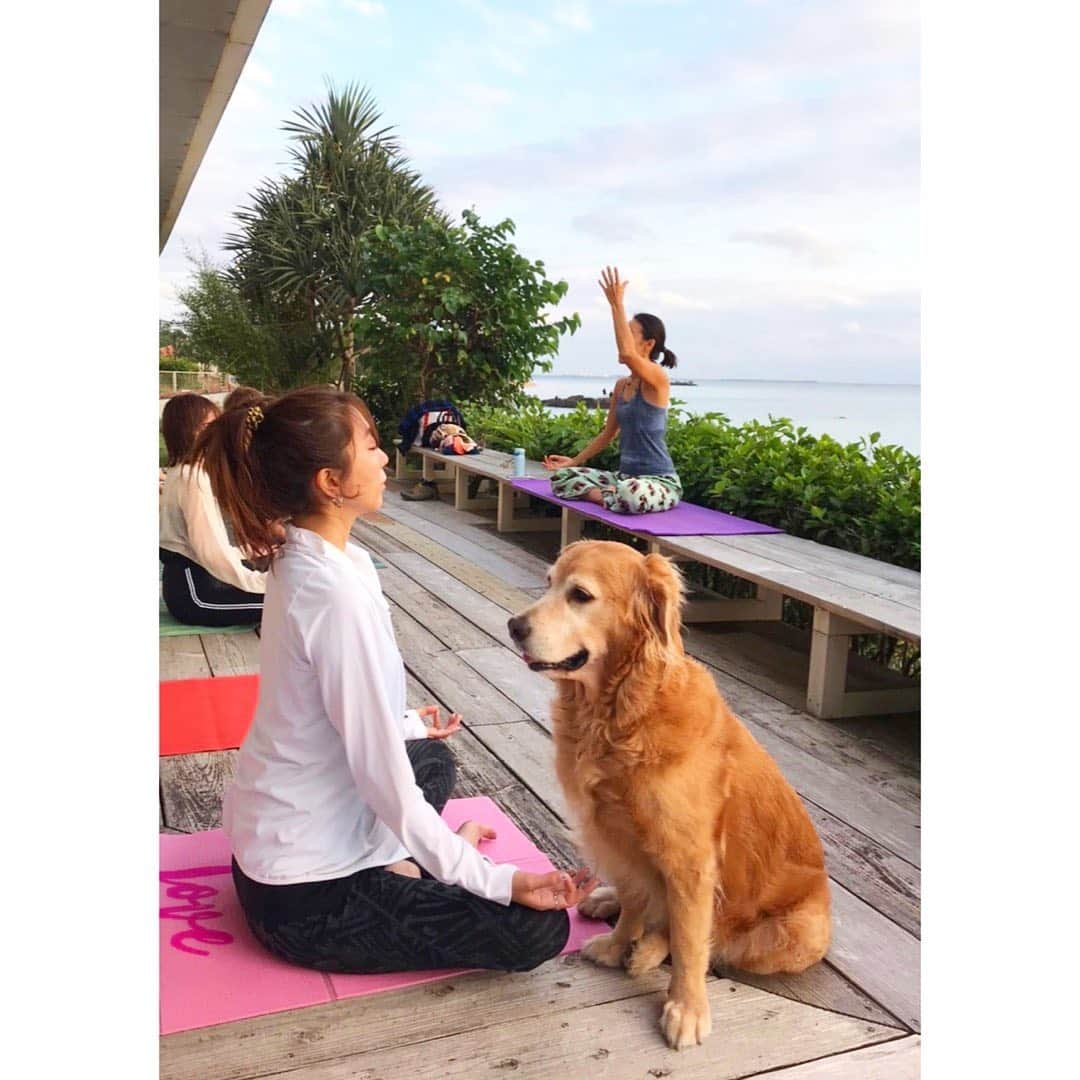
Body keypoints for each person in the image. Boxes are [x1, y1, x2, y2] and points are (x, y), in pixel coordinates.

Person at [196, 386, 598, 974]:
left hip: (280, 839)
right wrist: (494, 878)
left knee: (433, 762)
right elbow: (382, 779)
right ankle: (406, 862)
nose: (385, 458)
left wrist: (406, 723)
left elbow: (312, 708)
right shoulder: (330, 593)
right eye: (369, 446)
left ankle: (404, 858)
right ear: (331, 482)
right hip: (304, 898)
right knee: (534, 930)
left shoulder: (319, 557)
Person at [543, 267, 682, 514]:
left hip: (658, 482)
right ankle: (605, 497)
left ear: (648, 344)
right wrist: (574, 462)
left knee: (631, 493)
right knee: (562, 477)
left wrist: (616, 304)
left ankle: (611, 496)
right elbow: (608, 434)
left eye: (629, 333)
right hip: (622, 477)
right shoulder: (621, 385)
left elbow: (627, 353)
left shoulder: (657, 379)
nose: (621, 338)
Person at [159, 393, 267, 626]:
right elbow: (210, 552)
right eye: (210, 426)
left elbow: (210, 545)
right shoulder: (192, 478)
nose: (217, 434)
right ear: (193, 431)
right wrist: (260, 582)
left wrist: (246, 553)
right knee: (287, 602)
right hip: (196, 593)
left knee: (287, 598)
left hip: (197, 583)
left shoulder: (185, 471)